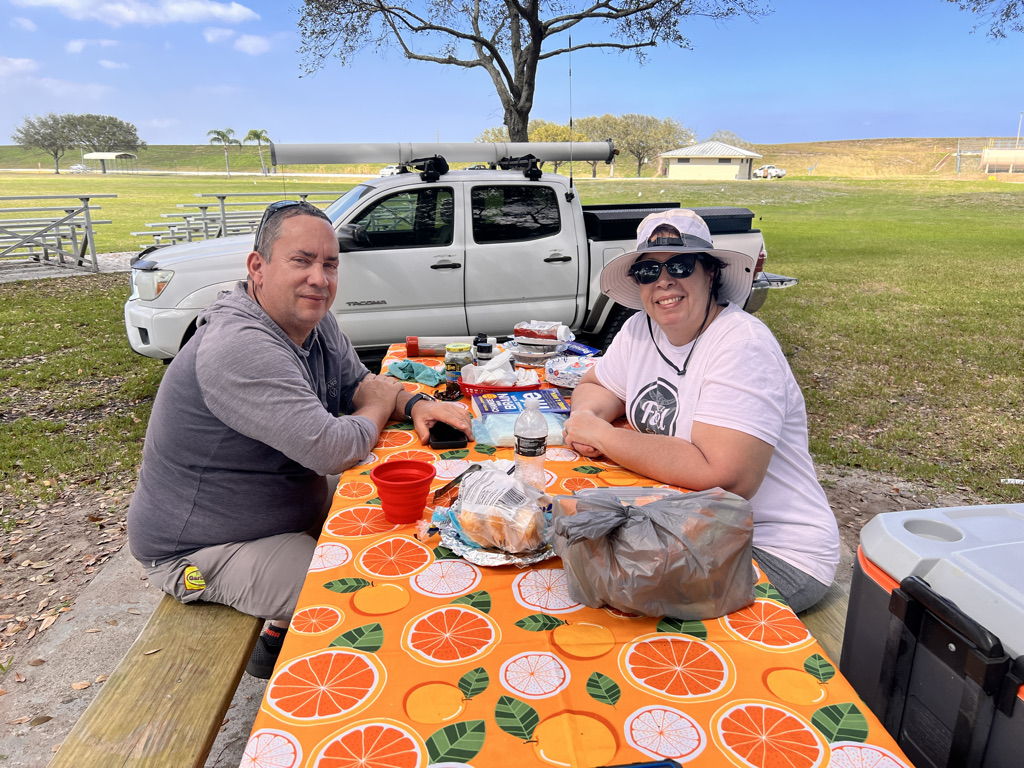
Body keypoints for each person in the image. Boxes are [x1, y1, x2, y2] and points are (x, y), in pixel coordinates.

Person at [126, 200, 472, 677]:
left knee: (421, 510)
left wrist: (414, 404)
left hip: (281, 506)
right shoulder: (239, 346)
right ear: (258, 267)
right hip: (206, 546)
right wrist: (377, 405)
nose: (320, 278)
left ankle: (277, 633)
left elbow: (357, 382)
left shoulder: (313, 320)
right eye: (301, 260)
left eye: (330, 264)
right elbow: (334, 446)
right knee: (363, 597)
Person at [563, 208, 839, 612]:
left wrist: (604, 436)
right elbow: (597, 385)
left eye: (680, 264)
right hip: (689, 526)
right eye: (648, 272)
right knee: (571, 543)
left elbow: (725, 475)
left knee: (605, 593)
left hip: (765, 547)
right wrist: (587, 416)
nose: (663, 282)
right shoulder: (641, 329)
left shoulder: (742, 344)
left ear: (710, 272)